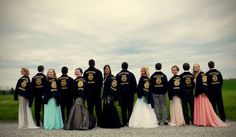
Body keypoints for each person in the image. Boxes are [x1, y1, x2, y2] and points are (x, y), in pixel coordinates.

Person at [116, 62, 137, 126]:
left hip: (121, 95)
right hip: (129, 95)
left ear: (121, 66)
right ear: (127, 66)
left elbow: (116, 86)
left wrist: (118, 94)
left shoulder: (118, 75)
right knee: (130, 108)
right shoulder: (131, 74)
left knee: (123, 109)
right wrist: (133, 92)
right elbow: (134, 85)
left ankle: (124, 121)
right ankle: (130, 121)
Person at [84, 59, 103, 126]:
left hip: (89, 94)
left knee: (90, 109)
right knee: (98, 109)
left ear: (88, 64)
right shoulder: (98, 72)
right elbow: (101, 83)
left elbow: (84, 84)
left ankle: (91, 123)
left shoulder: (85, 72)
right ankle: (100, 122)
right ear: (94, 64)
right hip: (97, 94)